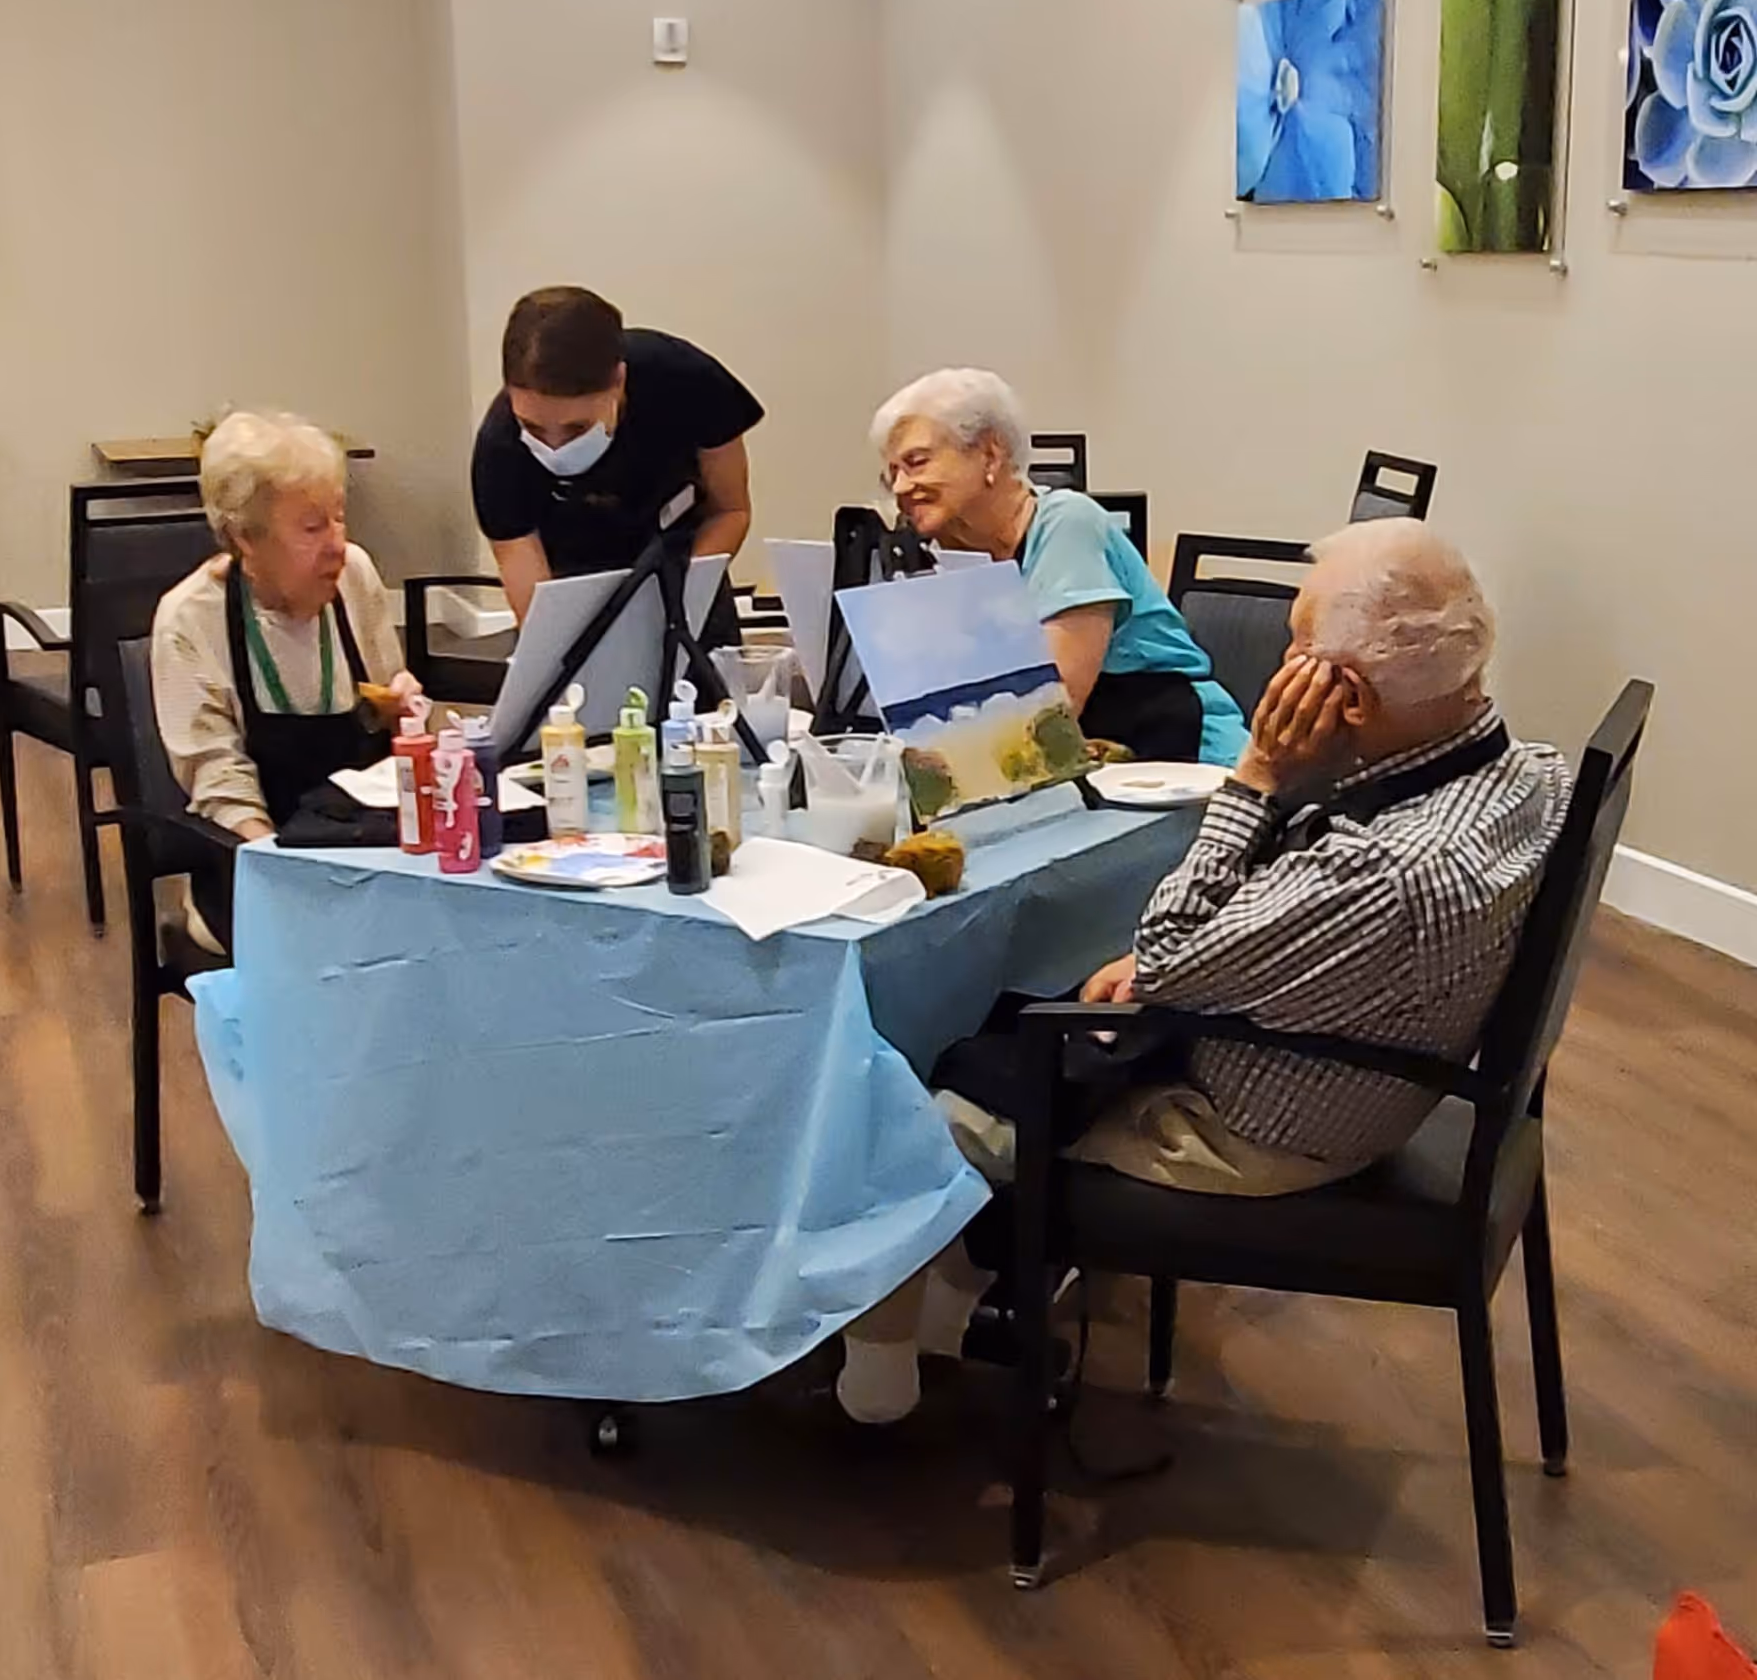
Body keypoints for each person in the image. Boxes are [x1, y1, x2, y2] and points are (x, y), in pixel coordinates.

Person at [835, 518, 1572, 1423]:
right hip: (1362, 1058)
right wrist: (1173, 959)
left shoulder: (1386, 871)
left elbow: (1180, 951)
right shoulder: (1529, 772)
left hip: (1253, 1127)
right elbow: (1209, 947)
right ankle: (950, 1312)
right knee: (1044, 997)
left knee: (910, 1092)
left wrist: (1257, 774)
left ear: (1351, 696)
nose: (1276, 668)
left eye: (1297, 645)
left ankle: (874, 1374)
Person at [869, 368, 1247, 764]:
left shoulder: (1067, 523)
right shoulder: (958, 553)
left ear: (990, 453)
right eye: (891, 472)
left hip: (1180, 763)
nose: (899, 488)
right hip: (1087, 764)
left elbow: (1053, 714)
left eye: (916, 462)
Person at [153, 410, 420, 944]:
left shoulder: (354, 577)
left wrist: (404, 711)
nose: (337, 544)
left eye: (340, 517)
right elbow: (219, 785)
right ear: (244, 538)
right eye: (312, 527)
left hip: (364, 848)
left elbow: (385, 707)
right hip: (252, 864)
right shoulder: (190, 620)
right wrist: (287, 879)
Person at [471, 286, 764, 643]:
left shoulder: (684, 379)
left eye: (577, 427)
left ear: (619, 381)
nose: (554, 446)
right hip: (569, 578)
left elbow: (730, 512)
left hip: (684, 558)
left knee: (708, 687)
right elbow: (539, 619)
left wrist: (681, 598)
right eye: (531, 426)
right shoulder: (500, 448)